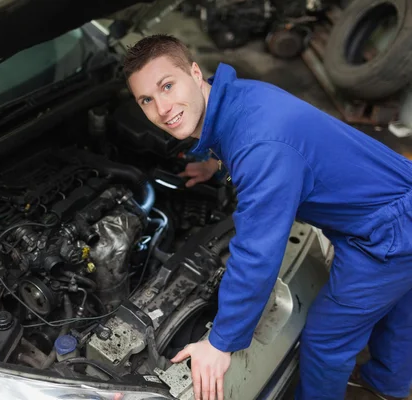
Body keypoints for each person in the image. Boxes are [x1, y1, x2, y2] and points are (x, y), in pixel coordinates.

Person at [122, 34, 412, 400]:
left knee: (325, 341)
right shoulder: (236, 96)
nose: (162, 109)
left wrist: (220, 342)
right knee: (401, 304)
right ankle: (389, 384)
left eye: (167, 86)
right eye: (146, 99)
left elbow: (258, 253)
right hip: (396, 201)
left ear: (195, 73)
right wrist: (215, 163)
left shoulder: (261, 148)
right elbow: (238, 133)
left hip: (387, 233)